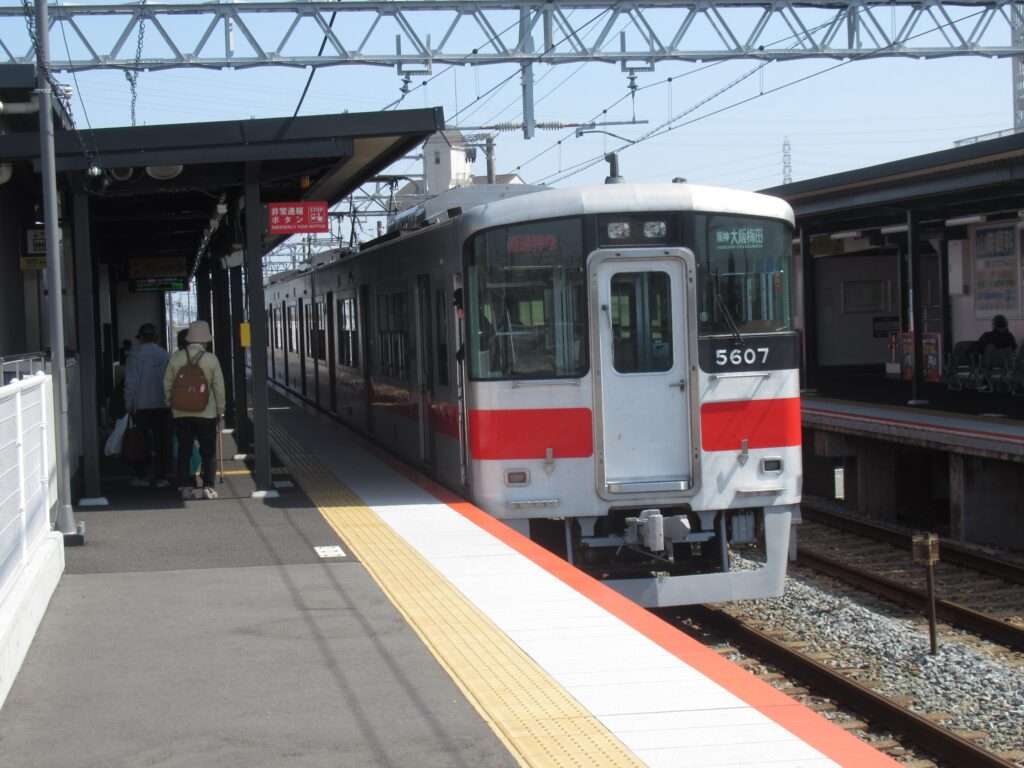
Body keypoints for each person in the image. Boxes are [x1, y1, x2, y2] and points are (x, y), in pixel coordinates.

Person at [164, 320, 225, 500]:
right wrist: (221, 411)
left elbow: (167, 383)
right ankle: (208, 487)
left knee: (185, 450)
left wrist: (170, 403)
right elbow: (219, 388)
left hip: (181, 412)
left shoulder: (176, 358)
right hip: (207, 413)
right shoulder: (211, 359)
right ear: (205, 340)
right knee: (208, 451)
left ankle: (185, 486)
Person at [123, 323, 171, 487]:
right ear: (156, 337)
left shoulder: (134, 356)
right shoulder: (164, 355)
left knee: (140, 441)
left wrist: (128, 403)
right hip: (162, 404)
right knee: (161, 441)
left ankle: (141, 476)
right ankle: (161, 477)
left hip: (141, 406)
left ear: (141, 338)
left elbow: (131, 383)